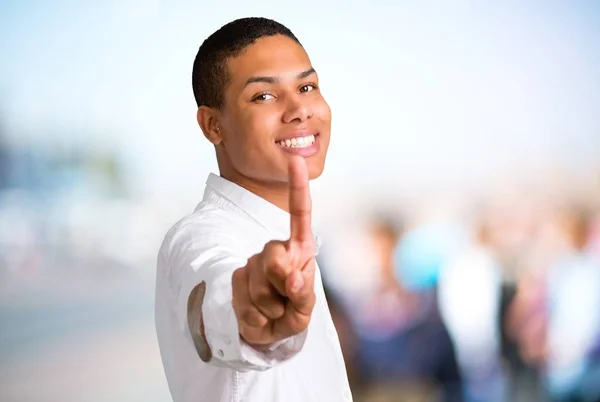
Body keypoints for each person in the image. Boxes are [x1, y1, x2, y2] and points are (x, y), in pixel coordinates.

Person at [154, 17, 352, 402]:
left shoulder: (286, 235)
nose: (299, 110)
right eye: (264, 96)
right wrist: (250, 309)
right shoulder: (201, 236)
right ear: (213, 125)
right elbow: (216, 293)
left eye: (307, 87)